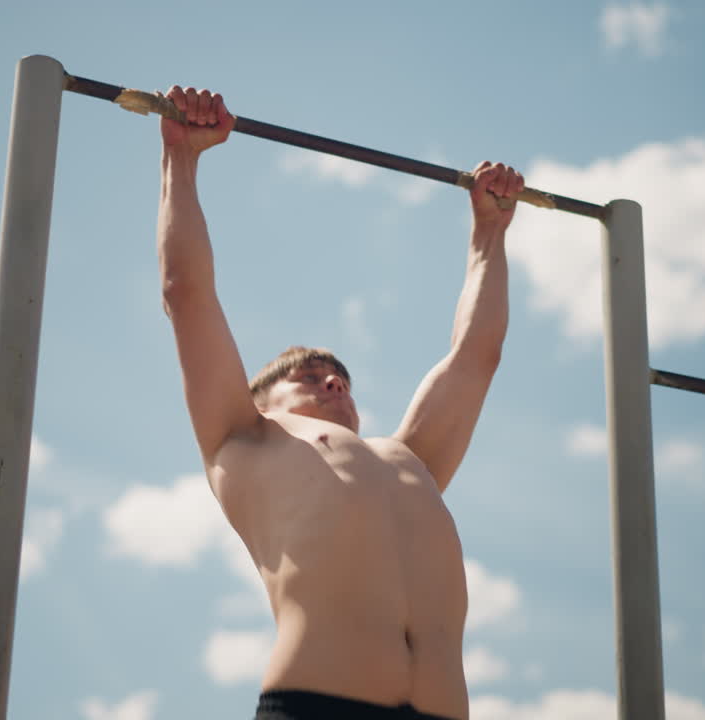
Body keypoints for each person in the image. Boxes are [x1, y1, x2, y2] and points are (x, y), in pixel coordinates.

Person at [157, 85, 523, 720]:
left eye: (341, 379)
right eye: (309, 376)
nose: (334, 383)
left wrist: (489, 234)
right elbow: (186, 291)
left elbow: (477, 355)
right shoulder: (241, 437)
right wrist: (182, 160)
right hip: (318, 705)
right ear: (262, 402)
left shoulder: (409, 458)